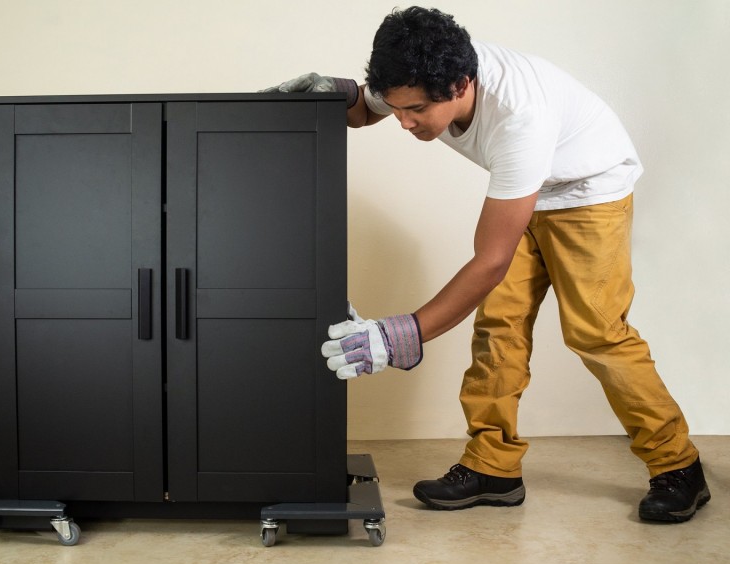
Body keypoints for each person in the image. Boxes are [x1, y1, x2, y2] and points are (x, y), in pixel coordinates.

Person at [263, 6, 710, 523]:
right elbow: (366, 109)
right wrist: (326, 96)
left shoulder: (520, 118)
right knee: (499, 327)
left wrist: (396, 337)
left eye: (414, 111)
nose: (402, 121)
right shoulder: (418, 75)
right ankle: (493, 468)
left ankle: (679, 466)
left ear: (458, 86)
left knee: (597, 332)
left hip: (588, 191)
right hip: (527, 191)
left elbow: (491, 260)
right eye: (398, 107)